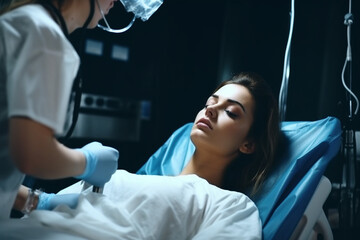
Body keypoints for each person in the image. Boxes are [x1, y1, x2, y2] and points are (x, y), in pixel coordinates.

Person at [0, 72, 280, 239]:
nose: (210, 110)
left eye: (231, 112)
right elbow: (42, 204)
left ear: (248, 144)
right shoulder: (126, 178)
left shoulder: (231, 205)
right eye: (210, 102)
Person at [0, 0, 120, 220]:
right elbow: (32, 155)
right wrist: (87, 162)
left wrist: (36, 201)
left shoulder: (25, 22)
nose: (115, 2)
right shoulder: (44, 36)